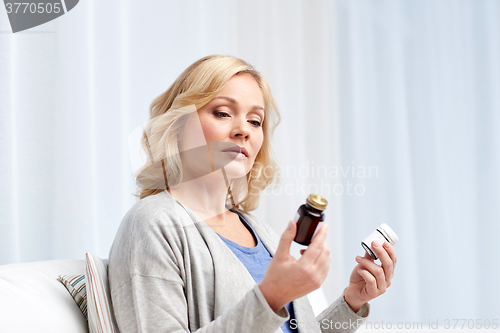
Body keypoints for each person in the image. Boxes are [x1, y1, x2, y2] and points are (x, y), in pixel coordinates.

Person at [108, 55, 397, 333]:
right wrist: (270, 296)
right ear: (179, 127)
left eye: (255, 121)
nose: (243, 130)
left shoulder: (261, 232)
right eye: (222, 113)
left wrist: (352, 301)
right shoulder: (152, 224)